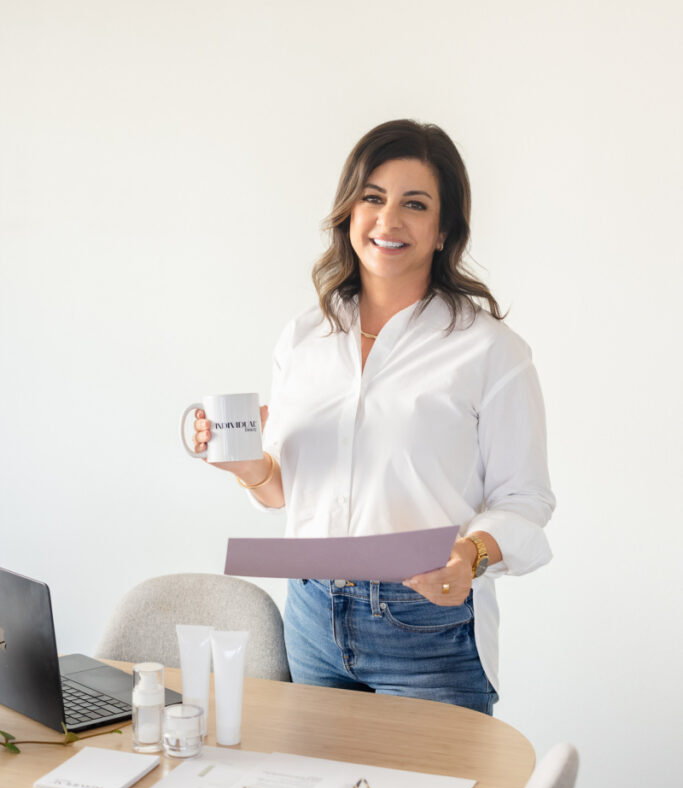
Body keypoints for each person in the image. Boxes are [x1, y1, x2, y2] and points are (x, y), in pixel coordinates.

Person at [193, 118, 555, 718]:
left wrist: (471, 558)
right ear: (348, 212)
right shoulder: (304, 336)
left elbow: (526, 499)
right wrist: (251, 468)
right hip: (310, 618)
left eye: (415, 204)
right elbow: (289, 488)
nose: (389, 221)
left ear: (444, 231)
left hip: (425, 628)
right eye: (373, 197)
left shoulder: (490, 350)